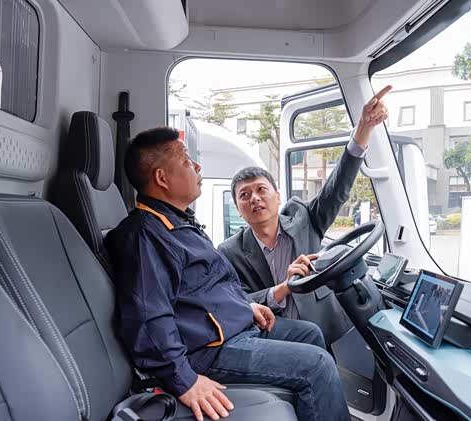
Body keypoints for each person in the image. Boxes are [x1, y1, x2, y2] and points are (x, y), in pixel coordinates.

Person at [105, 127, 349, 421]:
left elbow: (203, 289)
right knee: (318, 364)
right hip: (208, 350)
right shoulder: (146, 235)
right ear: (162, 178)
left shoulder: (179, 224)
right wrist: (184, 380)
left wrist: (247, 306)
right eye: (186, 161)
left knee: (310, 333)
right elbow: (148, 319)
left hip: (233, 331)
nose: (197, 167)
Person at [218, 86, 392, 346]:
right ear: (237, 207)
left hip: (325, 329)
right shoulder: (229, 251)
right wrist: (285, 287)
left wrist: (363, 130)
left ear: (278, 197)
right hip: (274, 338)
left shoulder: (303, 218)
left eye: (261, 190)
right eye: (245, 195)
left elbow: (336, 190)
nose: (254, 198)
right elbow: (235, 302)